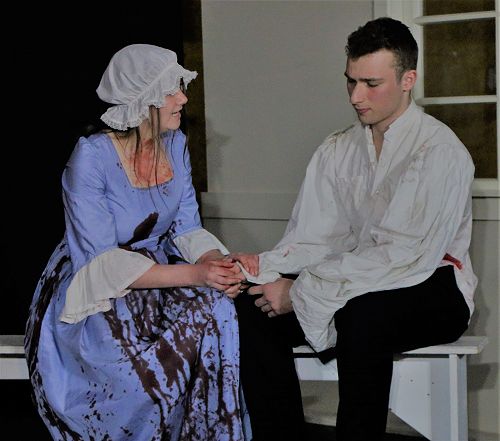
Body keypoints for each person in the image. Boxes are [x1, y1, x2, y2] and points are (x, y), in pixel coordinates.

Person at [233, 17, 477, 441]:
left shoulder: (439, 152)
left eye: (371, 83)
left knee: (362, 317)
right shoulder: (337, 148)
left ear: (408, 80)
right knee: (250, 307)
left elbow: (402, 256)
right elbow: (316, 237)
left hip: (432, 282)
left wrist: (300, 291)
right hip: (351, 276)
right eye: (350, 81)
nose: (356, 96)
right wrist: (261, 266)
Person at [24, 44, 254, 441]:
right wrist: (198, 274)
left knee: (217, 307)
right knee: (129, 365)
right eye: (171, 91)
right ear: (142, 99)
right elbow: (101, 261)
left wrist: (219, 266)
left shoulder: (175, 144)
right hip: (101, 284)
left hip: (163, 271)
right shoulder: (91, 158)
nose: (183, 99)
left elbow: (186, 227)